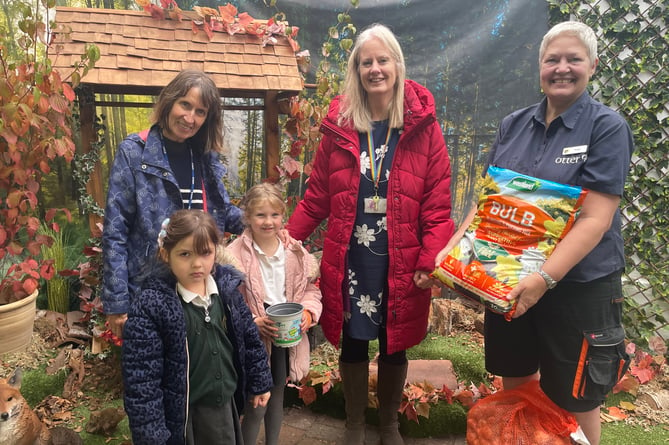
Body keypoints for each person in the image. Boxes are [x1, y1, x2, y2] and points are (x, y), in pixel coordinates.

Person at [435, 21, 634, 445]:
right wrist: (453, 255)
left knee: (576, 396)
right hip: (508, 279)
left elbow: (596, 218)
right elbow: (485, 203)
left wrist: (544, 279)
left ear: (593, 65)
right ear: (539, 67)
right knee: (518, 380)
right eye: (552, 60)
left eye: (573, 59)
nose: (562, 68)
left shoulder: (606, 127)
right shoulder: (513, 124)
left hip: (579, 284)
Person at [287, 23, 454, 445]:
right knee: (354, 342)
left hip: (402, 256)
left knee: (394, 342)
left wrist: (429, 260)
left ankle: (390, 424)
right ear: (356, 70)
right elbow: (316, 198)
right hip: (351, 257)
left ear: (397, 64)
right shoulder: (341, 127)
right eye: (366, 62)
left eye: (382, 60)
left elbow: (437, 207)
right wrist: (282, 241)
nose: (375, 69)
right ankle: (355, 423)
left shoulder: (423, 127)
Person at [102, 69, 244, 339]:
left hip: (200, 285)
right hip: (151, 287)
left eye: (200, 112)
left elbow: (224, 212)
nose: (190, 118)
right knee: (154, 373)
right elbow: (115, 231)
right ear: (169, 101)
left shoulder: (203, 156)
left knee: (199, 369)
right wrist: (117, 303)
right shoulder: (134, 152)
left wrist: (268, 222)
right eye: (185, 105)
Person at [122, 209, 272, 445]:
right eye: (184, 254)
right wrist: (152, 436)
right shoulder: (152, 306)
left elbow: (250, 339)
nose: (196, 264)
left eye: (205, 253)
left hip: (224, 409)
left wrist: (260, 381)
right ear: (165, 254)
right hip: (184, 418)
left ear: (216, 252)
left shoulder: (227, 293)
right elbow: (142, 382)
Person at [227, 183, 323, 445]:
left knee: (278, 394)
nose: (268, 222)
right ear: (247, 217)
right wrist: (250, 323)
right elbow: (228, 301)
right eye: (260, 215)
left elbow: (309, 290)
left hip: (285, 329)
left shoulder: (295, 252)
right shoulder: (233, 256)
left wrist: (308, 313)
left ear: (283, 215)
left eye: (274, 215)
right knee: (257, 402)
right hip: (255, 336)